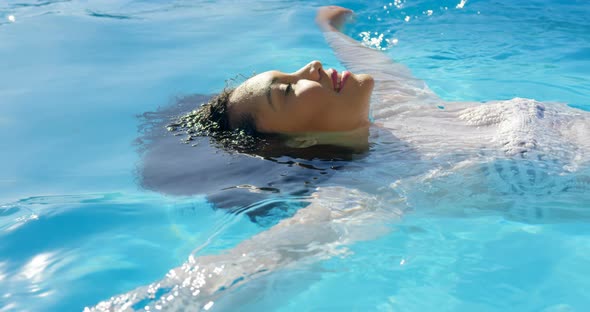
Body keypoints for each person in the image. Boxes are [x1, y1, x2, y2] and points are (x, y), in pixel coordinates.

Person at [89, 6, 590, 311]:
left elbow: (366, 59)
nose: (307, 67)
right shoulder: (369, 190)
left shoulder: (394, 110)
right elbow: (252, 268)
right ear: (298, 144)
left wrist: (331, 27)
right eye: (286, 90)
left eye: (288, 70)